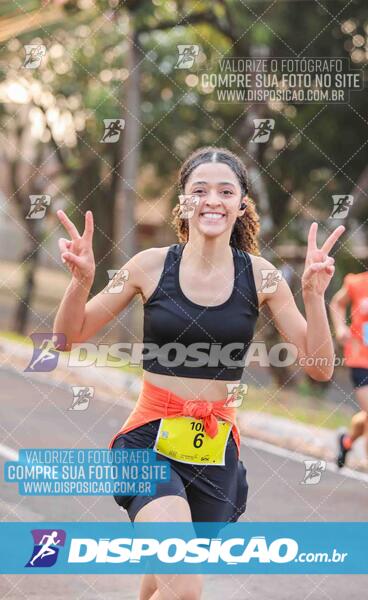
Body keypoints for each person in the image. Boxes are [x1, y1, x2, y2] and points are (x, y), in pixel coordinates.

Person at [54, 146, 343, 600]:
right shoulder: (148, 266)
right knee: (184, 583)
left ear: (241, 203)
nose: (213, 200)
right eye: (199, 190)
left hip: (215, 450)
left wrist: (312, 293)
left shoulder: (262, 276)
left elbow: (320, 368)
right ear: (183, 202)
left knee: (162, 583)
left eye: (226, 191)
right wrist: (79, 283)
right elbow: (67, 338)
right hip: (148, 440)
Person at [330, 270, 368, 468]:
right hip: (360, 359)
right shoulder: (357, 282)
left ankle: (346, 441)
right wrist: (340, 327)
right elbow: (337, 303)